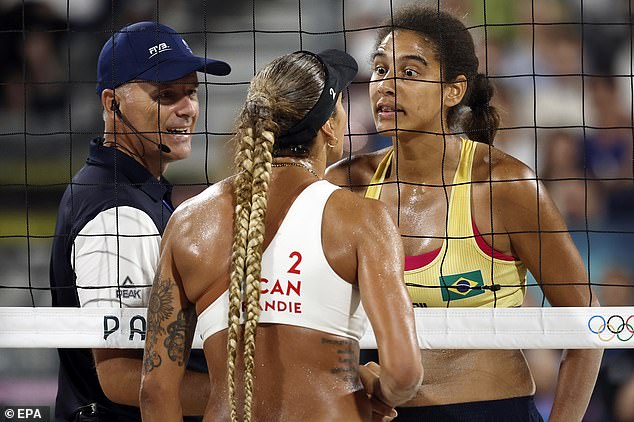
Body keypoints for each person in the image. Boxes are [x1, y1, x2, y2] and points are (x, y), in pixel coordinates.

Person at [326, 5, 603, 422]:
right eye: (381, 70)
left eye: (410, 72)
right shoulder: (347, 183)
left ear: (454, 90)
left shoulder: (504, 186)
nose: (386, 86)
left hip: (489, 410)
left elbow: (590, 326)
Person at [139, 49, 423, 422]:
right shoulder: (362, 218)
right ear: (329, 126)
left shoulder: (187, 222)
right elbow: (404, 372)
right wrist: (378, 388)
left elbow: (155, 392)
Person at [49, 21, 231, 421]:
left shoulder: (130, 191)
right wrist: (254, 396)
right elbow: (118, 375)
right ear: (112, 102)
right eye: (166, 95)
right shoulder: (119, 215)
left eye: (191, 93)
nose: (188, 108)